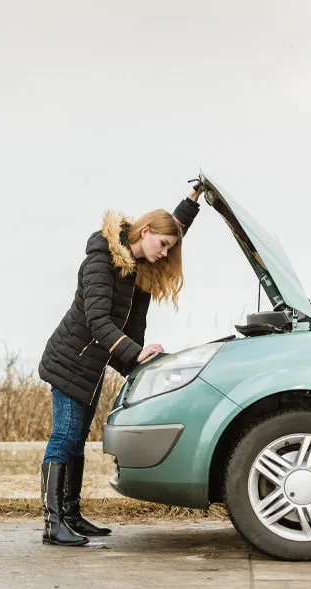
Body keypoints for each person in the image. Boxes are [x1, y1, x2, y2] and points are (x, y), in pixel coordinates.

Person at [37, 181, 203, 546]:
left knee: (77, 440)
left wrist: (191, 202)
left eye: (170, 248)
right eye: (162, 245)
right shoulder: (101, 262)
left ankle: (72, 515)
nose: (165, 254)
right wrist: (135, 353)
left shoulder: (139, 260)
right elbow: (98, 322)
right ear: (145, 232)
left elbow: (171, 228)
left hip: (91, 366)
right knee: (64, 437)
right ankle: (53, 524)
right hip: (70, 361)